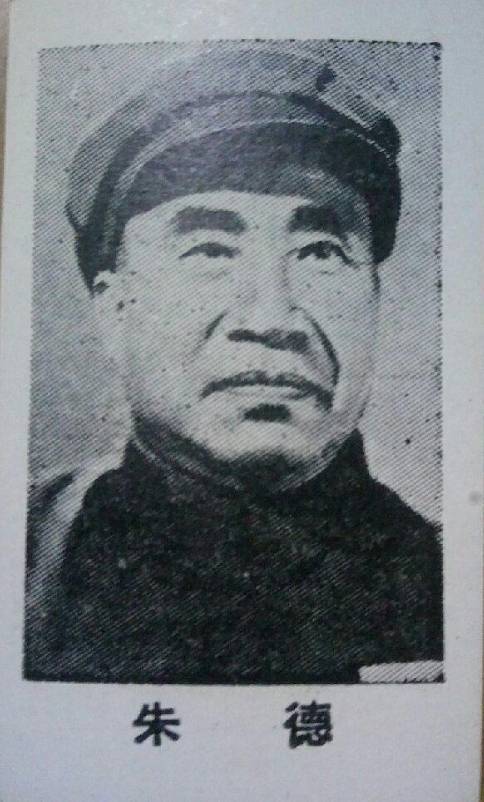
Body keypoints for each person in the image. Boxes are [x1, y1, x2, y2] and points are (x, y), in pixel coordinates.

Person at [25, 44, 443, 684]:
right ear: (114, 310)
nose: (272, 319)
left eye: (321, 251)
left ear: (375, 299)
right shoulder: (28, 554)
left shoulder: (451, 584)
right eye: (210, 251)